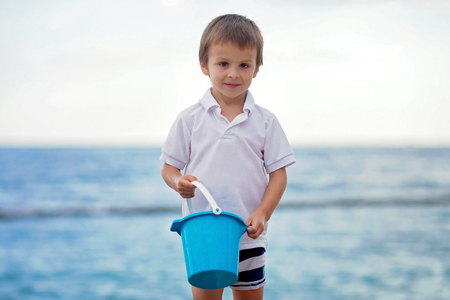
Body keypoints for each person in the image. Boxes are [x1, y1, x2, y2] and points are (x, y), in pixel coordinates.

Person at [160, 14, 296, 300]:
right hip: (204, 234)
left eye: (244, 65)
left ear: (256, 68)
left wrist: (262, 213)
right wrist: (177, 182)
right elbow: (169, 166)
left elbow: (279, 175)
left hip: (249, 235)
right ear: (204, 65)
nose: (234, 73)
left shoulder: (265, 121)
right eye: (223, 64)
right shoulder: (190, 119)